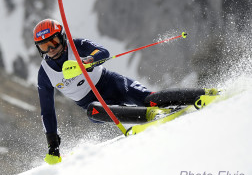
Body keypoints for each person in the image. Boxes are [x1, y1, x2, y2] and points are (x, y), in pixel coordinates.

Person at [33, 19, 218, 165]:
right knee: (93, 111)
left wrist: (87, 61)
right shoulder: (45, 74)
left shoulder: (76, 45)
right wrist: (53, 145)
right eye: (44, 47)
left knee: (150, 99)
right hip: (95, 104)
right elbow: (47, 111)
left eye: (54, 42)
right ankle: (149, 115)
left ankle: (203, 93)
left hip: (112, 83)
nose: (51, 50)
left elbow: (103, 52)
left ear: (62, 38)